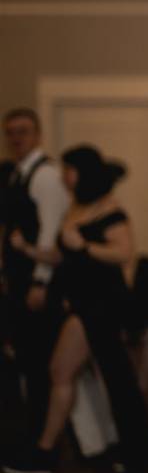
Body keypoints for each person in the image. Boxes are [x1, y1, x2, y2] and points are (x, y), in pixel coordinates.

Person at [2, 145, 148, 473]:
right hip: (81, 302)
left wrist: (83, 245)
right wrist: (28, 250)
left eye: (68, 170)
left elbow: (123, 254)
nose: (63, 176)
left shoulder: (109, 208)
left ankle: (46, 454)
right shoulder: (76, 206)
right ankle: (127, 451)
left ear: (83, 172)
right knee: (108, 376)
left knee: (69, 372)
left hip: (100, 304)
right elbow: (62, 257)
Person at [0, 108, 70, 447]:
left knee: (39, 362)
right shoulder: (17, 173)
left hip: (38, 283)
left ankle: (41, 440)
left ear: (38, 134)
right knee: (25, 359)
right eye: (11, 132)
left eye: (23, 131)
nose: (16, 138)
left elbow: (50, 232)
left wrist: (40, 281)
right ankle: (28, 432)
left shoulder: (45, 175)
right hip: (19, 280)